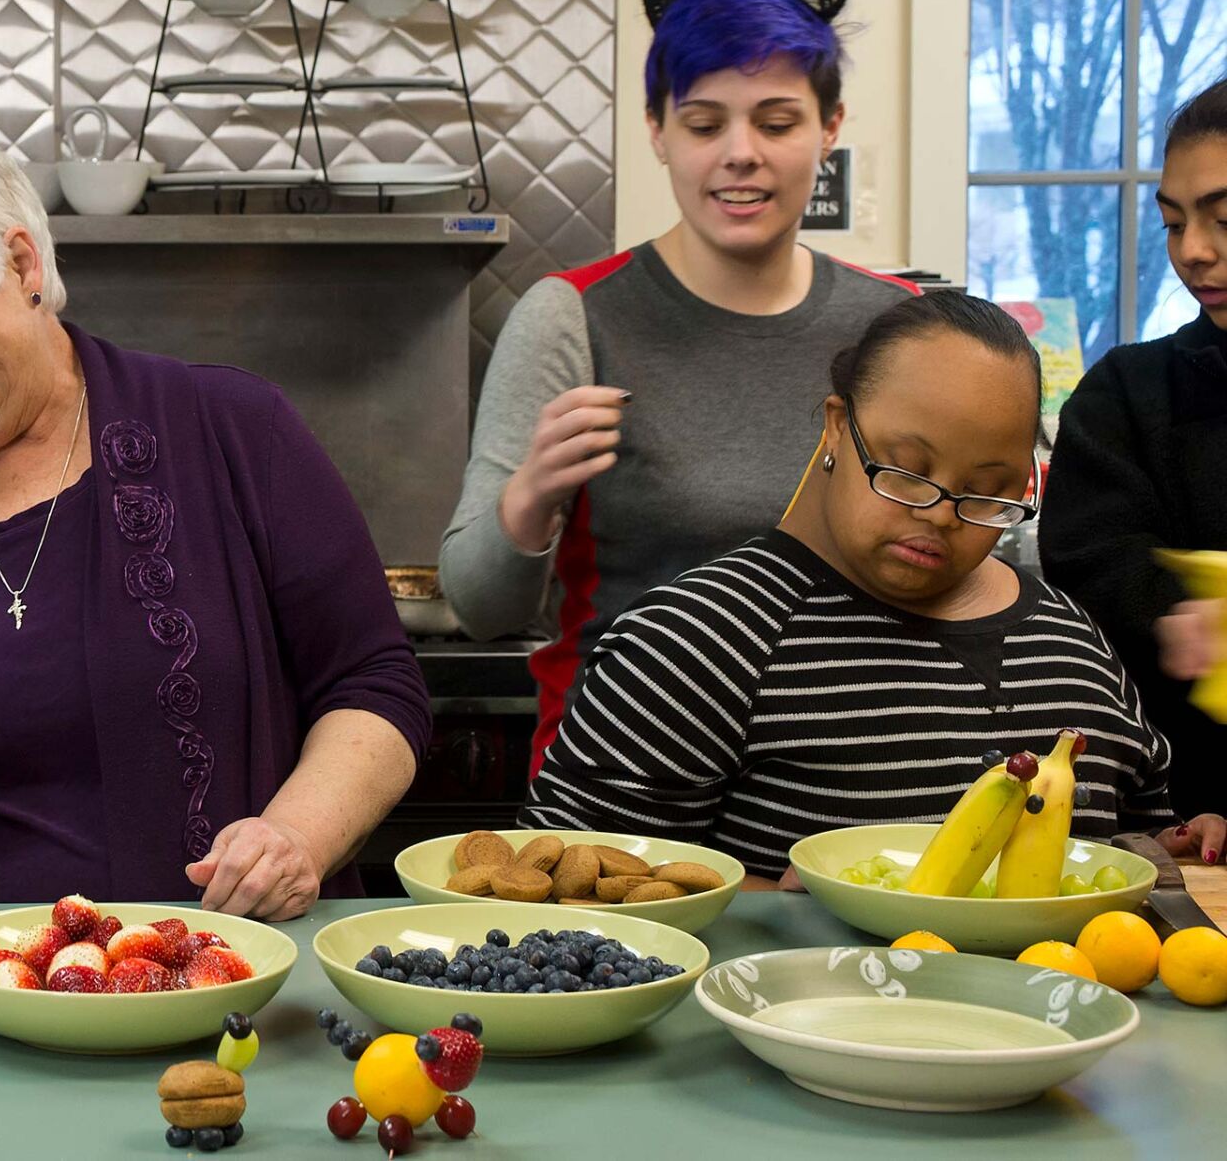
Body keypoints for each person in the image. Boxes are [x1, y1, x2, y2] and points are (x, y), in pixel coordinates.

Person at [0, 105, 429, 919]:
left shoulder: (231, 428)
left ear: (21, 261)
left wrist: (297, 835)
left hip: (210, 966)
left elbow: (375, 684)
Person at [522, 291, 1225, 876]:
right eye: (906, 470)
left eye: (987, 493)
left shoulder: (1071, 640)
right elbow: (565, 885)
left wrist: (1171, 849)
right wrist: (776, 908)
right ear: (836, 430)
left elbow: (1132, 832)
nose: (941, 517)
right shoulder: (699, 638)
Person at [440, 0, 918, 771]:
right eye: (704, 125)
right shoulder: (572, 315)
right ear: (658, 130)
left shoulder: (895, 322)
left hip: (847, 788)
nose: (741, 154)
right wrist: (530, 499)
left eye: (776, 122)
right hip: (624, 797)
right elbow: (480, 608)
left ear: (829, 127)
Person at [1043, 74, 1227, 847]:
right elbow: (1089, 569)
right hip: (1187, 818)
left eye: (1223, 218)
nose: (1194, 251)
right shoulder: (1129, 390)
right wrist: (1171, 610)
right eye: (1173, 222)